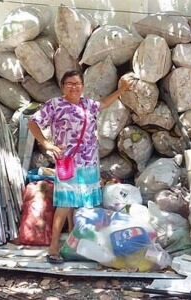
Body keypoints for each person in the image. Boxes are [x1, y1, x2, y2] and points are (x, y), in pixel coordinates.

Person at [28, 70, 131, 263]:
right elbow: (32, 123)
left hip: (89, 163)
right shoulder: (55, 105)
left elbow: (104, 103)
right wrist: (46, 144)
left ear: (83, 86)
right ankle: (53, 247)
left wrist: (122, 89)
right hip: (67, 162)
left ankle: (75, 243)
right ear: (62, 86)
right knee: (65, 203)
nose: (74, 87)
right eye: (69, 83)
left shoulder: (88, 105)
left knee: (83, 204)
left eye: (77, 83)